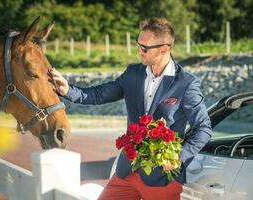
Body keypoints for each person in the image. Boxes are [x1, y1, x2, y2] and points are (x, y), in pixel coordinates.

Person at [51, 17, 212, 200]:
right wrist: (68, 90)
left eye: (144, 48)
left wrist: (179, 158)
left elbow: (203, 128)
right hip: (127, 171)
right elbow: (99, 94)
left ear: (164, 49)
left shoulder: (186, 83)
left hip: (161, 180)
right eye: (138, 44)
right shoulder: (133, 73)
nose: (139, 51)